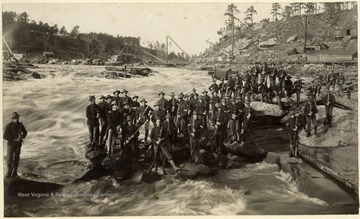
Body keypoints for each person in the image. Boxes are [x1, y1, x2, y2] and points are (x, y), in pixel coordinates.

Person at [3, 112, 28, 178]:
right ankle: (9, 174)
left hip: (18, 144)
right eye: (14, 118)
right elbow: (4, 136)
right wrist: (14, 139)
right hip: (11, 144)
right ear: (12, 118)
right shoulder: (8, 125)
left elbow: (25, 132)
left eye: (16, 118)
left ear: (18, 117)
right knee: (9, 160)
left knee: (16, 159)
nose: (16, 119)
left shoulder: (20, 125)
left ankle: (14, 173)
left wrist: (22, 136)